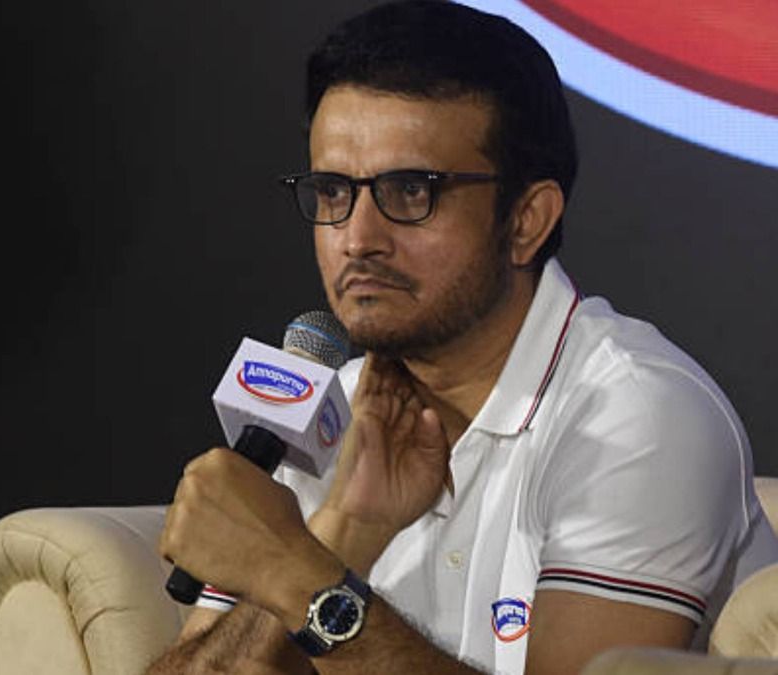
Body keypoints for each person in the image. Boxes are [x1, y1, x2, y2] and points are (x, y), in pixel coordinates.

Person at [147, 2, 778, 674]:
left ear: (527, 220)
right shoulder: (329, 403)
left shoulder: (640, 413)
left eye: (411, 190)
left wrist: (301, 574)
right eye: (334, 191)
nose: (357, 238)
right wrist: (344, 530)